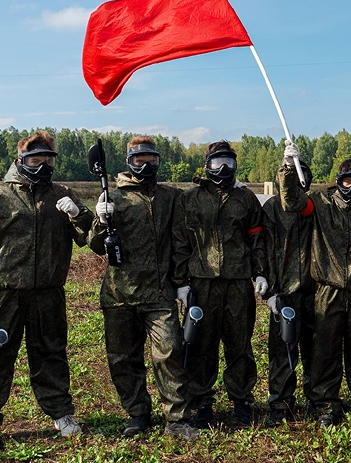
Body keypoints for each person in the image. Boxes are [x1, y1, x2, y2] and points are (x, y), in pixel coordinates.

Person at [88, 136, 199, 440]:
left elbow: (179, 242)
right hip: (119, 294)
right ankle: (137, 413)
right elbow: (96, 245)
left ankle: (176, 418)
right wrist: (101, 219)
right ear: (129, 162)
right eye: (140, 160)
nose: (146, 166)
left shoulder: (169, 197)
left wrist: (181, 284)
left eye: (152, 160)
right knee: (123, 358)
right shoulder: (114, 196)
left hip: (159, 292)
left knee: (170, 351)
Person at [279, 141, 351, 427]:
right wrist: (289, 167)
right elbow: (290, 201)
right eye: (347, 181)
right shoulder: (321, 205)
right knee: (324, 349)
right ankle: (326, 403)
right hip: (327, 290)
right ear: (338, 182)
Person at [0, 131, 92, 440]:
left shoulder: (61, 193)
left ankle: (60, 413)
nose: (42, 167)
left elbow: (90, 236)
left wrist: (79, 214)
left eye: (48, 160)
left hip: (48, 293)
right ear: (20, 161)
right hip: (6, 292)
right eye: (34, 161)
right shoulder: (3, 195)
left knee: (51, 353)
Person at [172, 141, 268, 427]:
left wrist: (260, 272)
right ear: (207, 166)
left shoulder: (246, 199)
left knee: (240, 343)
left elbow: (256, 240)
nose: (223, 169)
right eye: (217, 163)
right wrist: (180, 282)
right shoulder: (190, 199)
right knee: (202, 345)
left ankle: (242, 400)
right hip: (202, 282)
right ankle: (201, 402)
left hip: (238, 281)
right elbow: (180, 242)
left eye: (228, 163)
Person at [262, 155, 315, 424]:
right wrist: (269, 291)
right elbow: (264, 251)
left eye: (301, 174)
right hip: (284, 291)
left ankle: (316, 400)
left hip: (316, 290)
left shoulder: (316, 207)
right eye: (291, 174)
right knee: (282, 350)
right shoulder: (271, 208)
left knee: (316, 350)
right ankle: (281, 403)